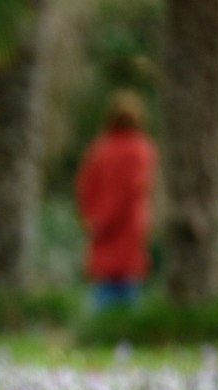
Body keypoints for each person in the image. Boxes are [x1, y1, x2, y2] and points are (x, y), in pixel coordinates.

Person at [75, 91, 158, 312]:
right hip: (129, 228)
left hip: (103, 230)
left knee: (103, 291)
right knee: (127, 291)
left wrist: (93, 219)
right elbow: (133, 190)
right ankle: (124, 336)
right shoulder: (141, 149)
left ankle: (100, 334)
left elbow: (84, 187)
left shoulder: (99, 148)